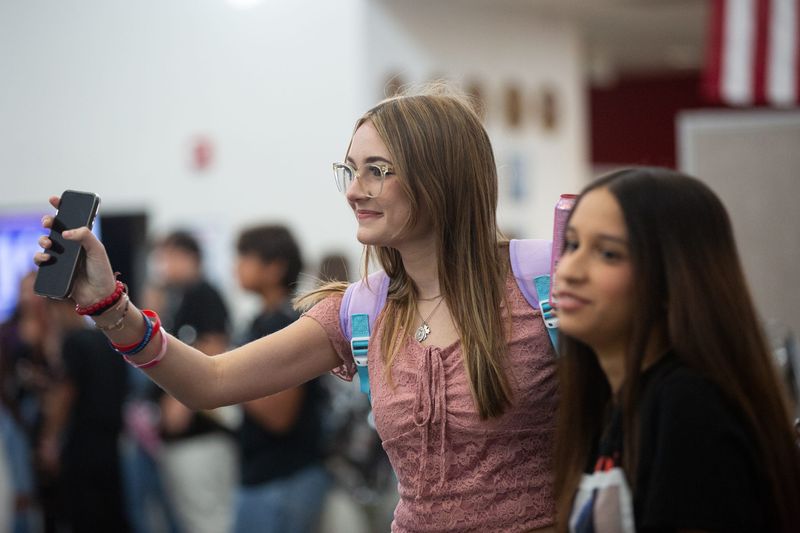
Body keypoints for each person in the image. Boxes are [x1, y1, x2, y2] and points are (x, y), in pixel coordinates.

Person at [34, 85, 558, 532]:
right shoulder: (364, 311)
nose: (355, 190)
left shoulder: (541, 283)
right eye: (350, 170)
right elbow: (212, 381)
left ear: (440, 177)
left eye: (377, 171)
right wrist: (110, 309)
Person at [551, 167, 800, 533]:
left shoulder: (689, 405)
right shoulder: (615, 401)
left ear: (674, 275)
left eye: (608, 254)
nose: (570, 270)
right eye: (572, 244)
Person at [233, 224, 330, 533]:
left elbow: (279, 415)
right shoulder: (260, 321)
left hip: (284, 478)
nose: (237, 266)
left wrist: (222, 382)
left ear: (275, 267)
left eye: (245, 257)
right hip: (264, 475)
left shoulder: (286, 324)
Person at [147, 231, 237, 533]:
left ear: (187, 256)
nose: (161, 266)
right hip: (184, 435)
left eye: (166, 257)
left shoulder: (203, 292)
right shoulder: (179, 296)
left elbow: (213, 346)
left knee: (207, 519)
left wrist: (181, 402)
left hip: (200, 433)